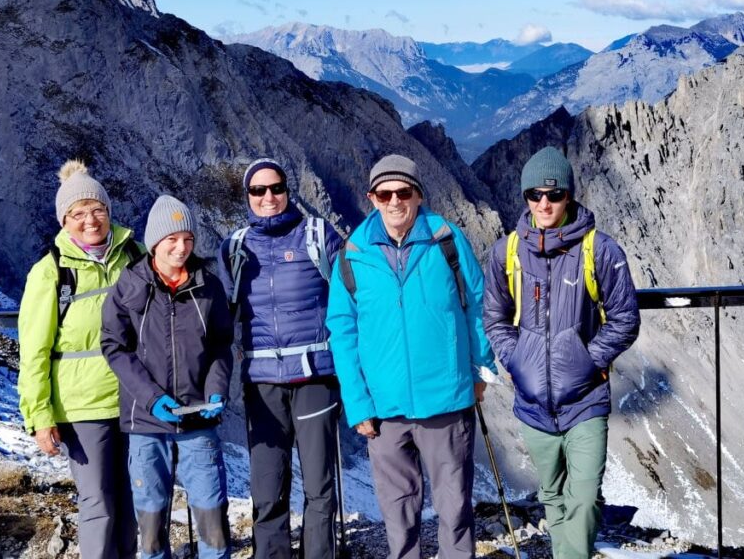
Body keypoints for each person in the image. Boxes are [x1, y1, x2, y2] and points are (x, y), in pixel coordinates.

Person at [326, 154, 497, 559]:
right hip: (385, 410)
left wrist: (480, 370)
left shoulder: (446, 240)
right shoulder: (353, 255)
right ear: (371, 198)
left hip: (447, 400)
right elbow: (342, 331)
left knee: (454, 506)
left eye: (404, 192)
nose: (394, 201)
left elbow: (477, 305)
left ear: (418, 195)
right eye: (384, 193)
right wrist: (357, 403)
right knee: (397, 512)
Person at [483, 147, 640, 559]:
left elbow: (625, 319)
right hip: (534, 405)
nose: (544, 204)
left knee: (584, 498)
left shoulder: (599, 250)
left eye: (553, 195)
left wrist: (589, 360)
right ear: (525, 198)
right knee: (552, 497)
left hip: (586, 401)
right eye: (534, 195)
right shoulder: (507, 253)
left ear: (568, 195)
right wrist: (515, 360)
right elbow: (495, 318)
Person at [217, 159, 343, 559]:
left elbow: (351, 296)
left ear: (288, 190)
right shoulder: (235, 247)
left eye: (276, 188)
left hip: (315, 379)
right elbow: (221, 314)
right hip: (262, 384)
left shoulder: (318, 235)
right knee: (267, 487)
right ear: (248, 197)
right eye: (258, 191)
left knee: (320, 487)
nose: (268, 197)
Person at [17, 160, 139, 558]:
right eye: (78, 213)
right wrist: (39, 415)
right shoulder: (50, 271)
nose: (90, 220)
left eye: (98, 209)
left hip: (134, 398)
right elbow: (34, 349)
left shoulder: (133, 255)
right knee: (98, 506)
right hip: (81, 406)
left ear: (109, 211)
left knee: (130, 504)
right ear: (64, 220)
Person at [102, 195, 234, 559]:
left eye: (188, 239)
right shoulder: (130, 287)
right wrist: (152, 398)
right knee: (150, 523)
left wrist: (217, 390)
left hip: (198, 418)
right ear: (154, 242)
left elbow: (221, 345)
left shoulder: (209, 287)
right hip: (146, 422)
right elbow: (115, 347)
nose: (181, 248)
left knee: (211, 516)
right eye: (172, 239)